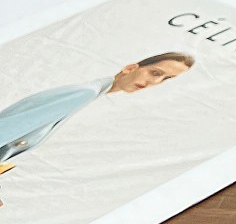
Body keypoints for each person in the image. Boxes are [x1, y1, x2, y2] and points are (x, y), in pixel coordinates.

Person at [0, 52, 196, 189]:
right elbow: (8, 129)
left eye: (165, 79)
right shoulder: (85, 92)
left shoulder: (91, 93)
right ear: (130, 68)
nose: (155, 82)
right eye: (155, 73)